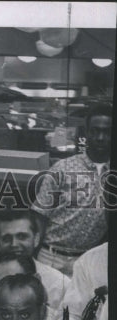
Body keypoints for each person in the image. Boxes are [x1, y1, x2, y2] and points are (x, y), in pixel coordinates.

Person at [31, 104, 111, 275]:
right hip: (50, 256)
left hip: (87, 261)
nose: (100, 137)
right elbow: (39, 216)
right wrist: (32, 255)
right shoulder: (63, 168)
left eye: (107, 132)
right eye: (95, 131)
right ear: (86, 133)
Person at [0, 211, 70, 320]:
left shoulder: (59, 284)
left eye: (22, 237)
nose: (14, 244)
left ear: (36, 239)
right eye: (7, 238)